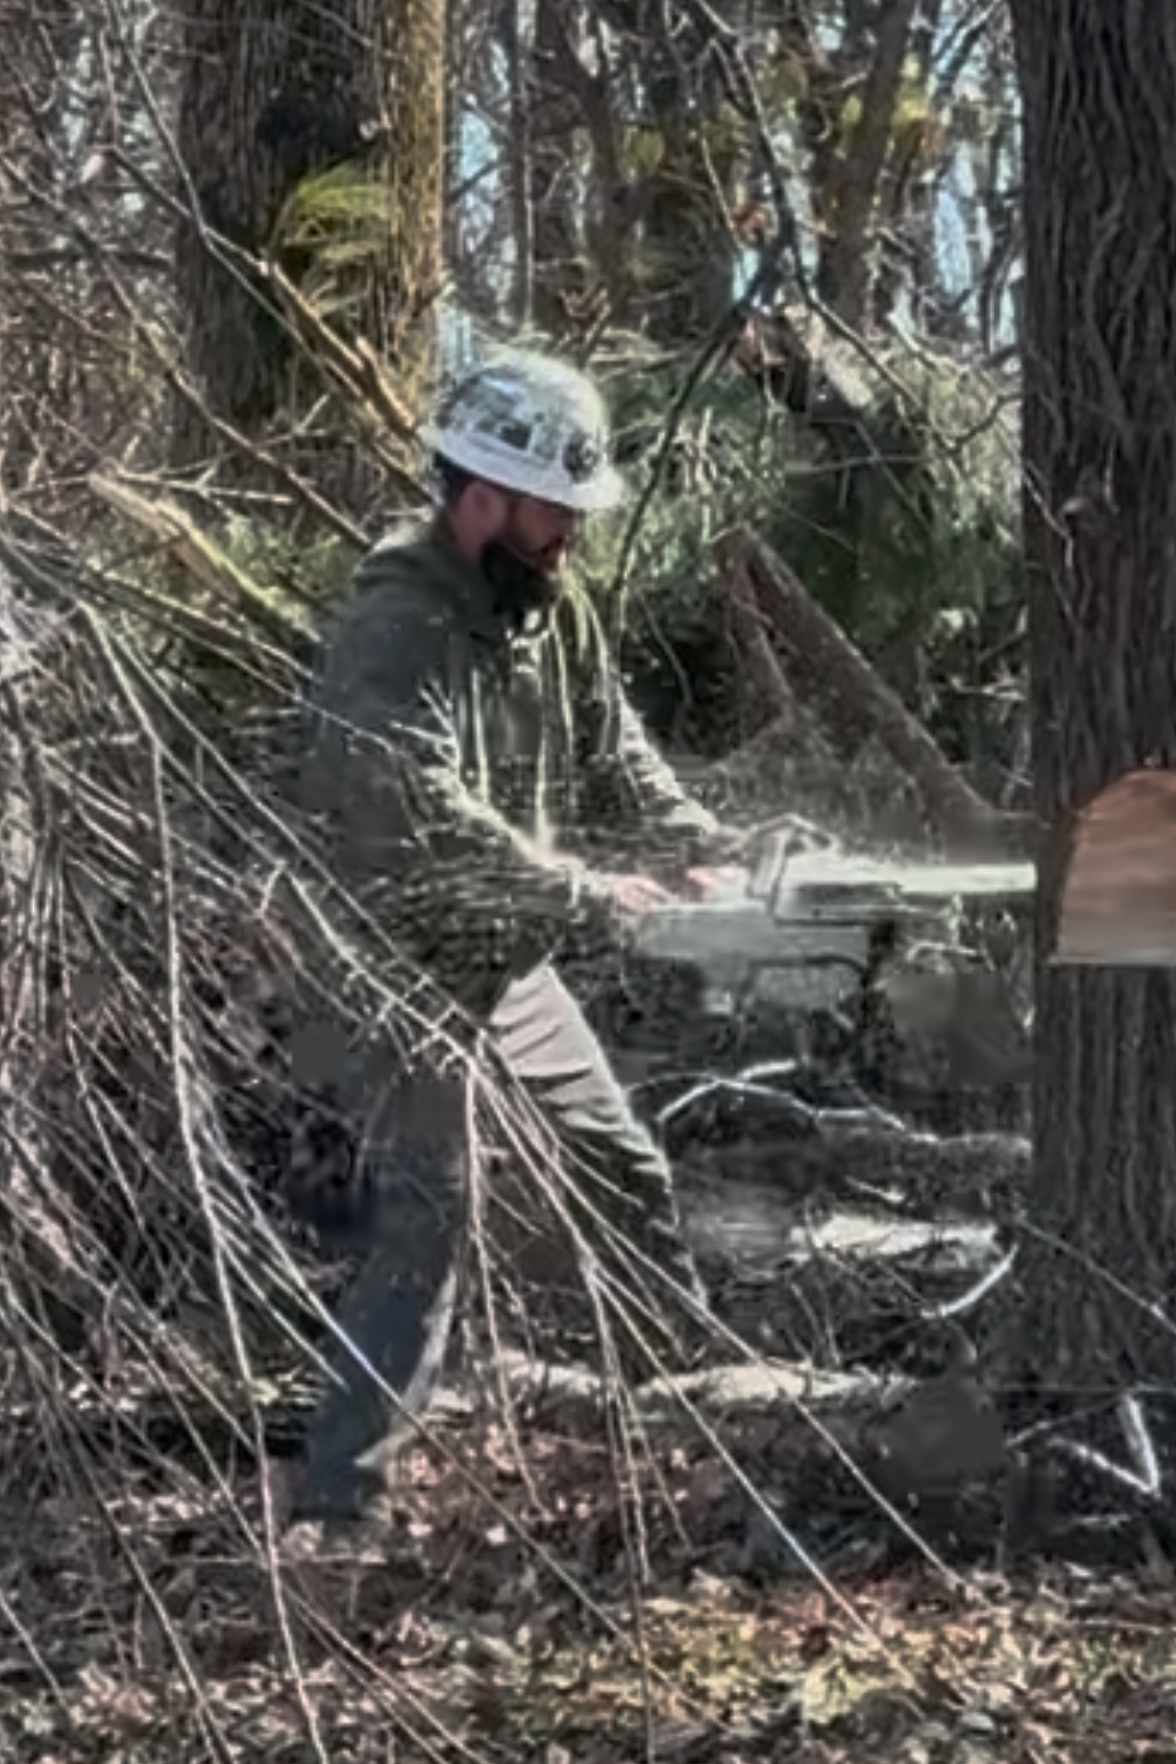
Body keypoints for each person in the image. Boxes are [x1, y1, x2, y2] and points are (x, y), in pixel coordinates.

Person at [286, 350, 753, 1528]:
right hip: (389, 965)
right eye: (554, 509)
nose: (570, 534)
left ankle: (708, 1419)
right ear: (480, 497)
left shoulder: (551, 605)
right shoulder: (394, 626)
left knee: (621, 1165)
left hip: (499, 950)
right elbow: (419, 804)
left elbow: (616, 750)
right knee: (429, 1220)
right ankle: (338, 1507)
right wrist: (586, 886)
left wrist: (698, 841)